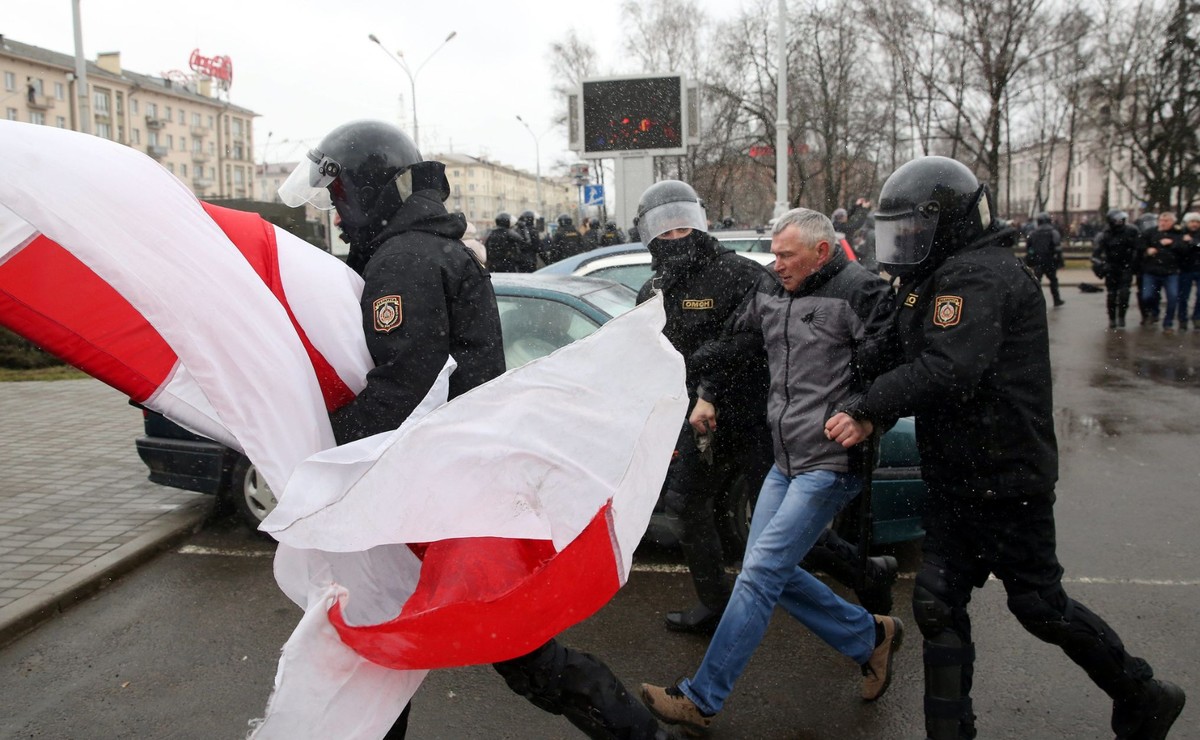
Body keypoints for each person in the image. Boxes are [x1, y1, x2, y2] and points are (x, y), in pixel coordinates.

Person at [278, 119, 671, 740]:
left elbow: (404, 389)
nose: (334, 206)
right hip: (448, 474)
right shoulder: (422, 247)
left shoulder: (404, 261)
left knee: (493, 641)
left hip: (432, 485)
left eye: (341, 193)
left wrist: (315, 438)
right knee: (418, 635)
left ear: (373, 189)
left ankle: (640, 734)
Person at [827, 155, 1186, 740]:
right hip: (954, 475)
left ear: (949, 222)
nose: (907, 241)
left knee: (1039, 605)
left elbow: (949, 368)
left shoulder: (982, 276)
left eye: (916, 228)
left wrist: (870, 408)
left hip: (1004, 475)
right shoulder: (930, 277)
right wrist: (839, 379)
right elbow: (888, 349)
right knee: (938, 605)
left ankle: (1142, 692)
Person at [640, 207, 903, 737]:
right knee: (772, 576)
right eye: (775, 254)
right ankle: (869, 637)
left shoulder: (859, 293)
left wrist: (867, 412)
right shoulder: (774, 293)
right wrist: (696, 381)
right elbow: (736, 346)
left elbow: (892, 362)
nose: (776, 264)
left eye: (786, 255)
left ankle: (700, 698)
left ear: (821, 253)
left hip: (829, 462)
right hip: (785, 462)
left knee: (758, 576)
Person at [1093, 210, 1142, 329]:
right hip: (1111, 267)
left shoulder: (1132, 231)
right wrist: (1102, 265)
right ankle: (1112, 318)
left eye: (1121, 220)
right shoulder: (1104, 234)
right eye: (1117, 220)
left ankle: (1121, 317)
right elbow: (1095, 255)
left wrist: (1133, 264)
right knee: (1111, 294)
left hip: (1126, 266)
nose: (1120, 222)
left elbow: (1138, 248)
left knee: (1124, 293)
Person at [1140, 212, 1183, 332]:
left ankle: (1168, 323)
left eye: (1167, 221)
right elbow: (1140, 246)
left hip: (1171, 272)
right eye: (1161, 220)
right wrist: (1147, 251)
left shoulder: (1177, 233)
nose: (1163, 223)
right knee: (1147, 296)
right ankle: (1154, 312)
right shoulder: (1150, 233)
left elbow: (1184, 248)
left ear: (1173, 222)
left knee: (1173, 297)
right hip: (1152, 271)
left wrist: (1173, 244)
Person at [1025, 211, 1065, 307]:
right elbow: (1057, 248)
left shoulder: (1033, 233)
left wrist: (1032, 258)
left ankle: (1034, 302)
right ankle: (1056, 299)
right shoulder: (1053, 232)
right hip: (1049, 261)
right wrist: (1060, 261)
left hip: (1038, 261)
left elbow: (1029, 248)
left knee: (1037, 282)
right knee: (1053, 281)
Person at [1177, 212, 1200, 330]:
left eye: (1197, 222)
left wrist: (1192, 242)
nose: (1195, 224)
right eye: (1192, 222)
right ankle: (1182, 318)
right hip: (1185, 269)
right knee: (1183, 296)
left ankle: (1197, 317)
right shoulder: (1180, 234)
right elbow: (1179, 250)